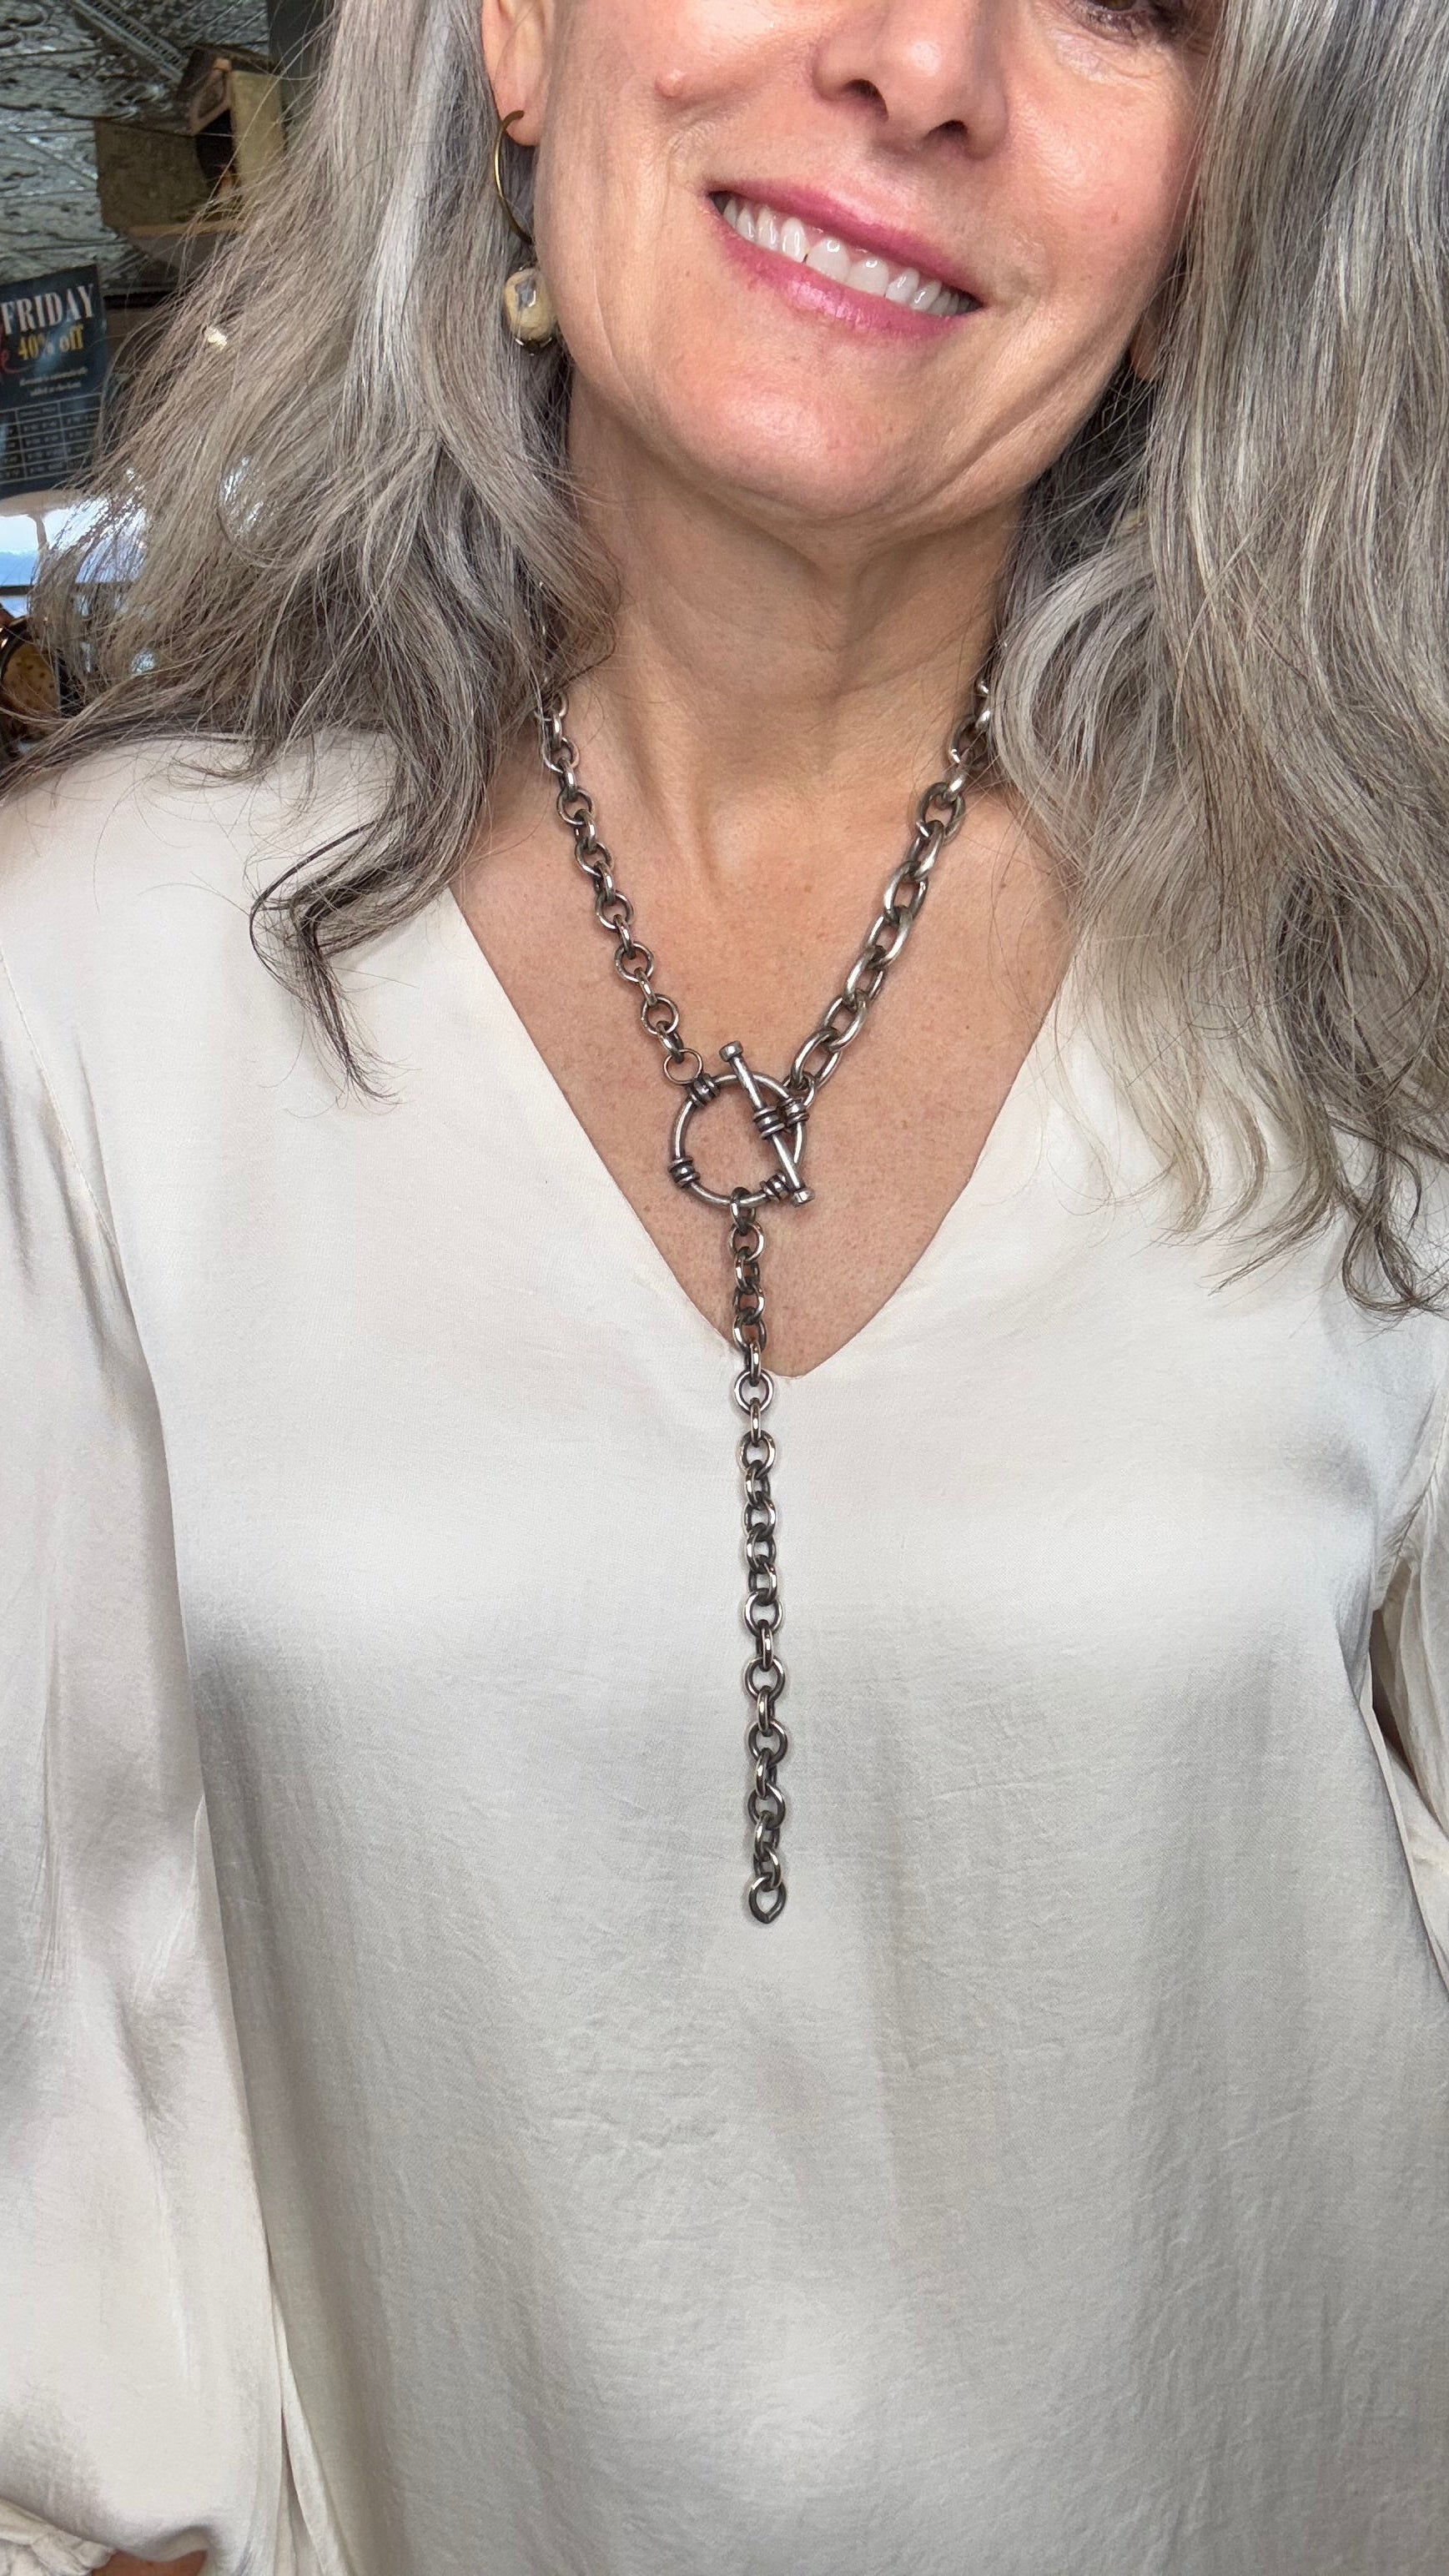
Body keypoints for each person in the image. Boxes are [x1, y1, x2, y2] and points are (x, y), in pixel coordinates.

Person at [3, 0, 1447, 2568]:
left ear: (1226, 185)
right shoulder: (93, 981)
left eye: (1124, 3)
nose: (922, 60)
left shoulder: (1374, 997)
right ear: (520, 35)